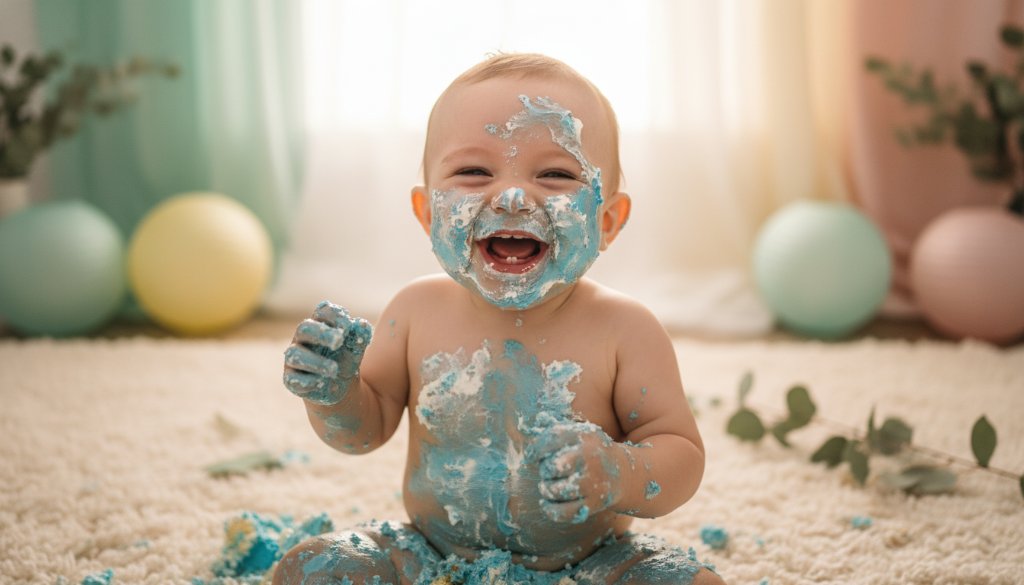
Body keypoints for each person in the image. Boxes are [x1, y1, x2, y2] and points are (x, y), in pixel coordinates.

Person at [276, 53, 724, 585]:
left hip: (591, 562)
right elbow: (361, 433)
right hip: (430, 555)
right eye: (473, 171)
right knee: (313, 567)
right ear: (426, 212)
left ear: (606, 221)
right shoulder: (414, 313)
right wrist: (333, 394)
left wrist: (618, 472)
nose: (512, 195)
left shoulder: (626, 330)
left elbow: (680, 454)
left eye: (556, 175)